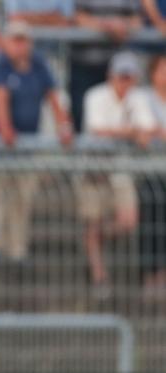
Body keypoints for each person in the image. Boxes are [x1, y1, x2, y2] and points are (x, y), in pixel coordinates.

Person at [0, 21, 73, 266]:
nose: (19, 45)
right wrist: (5, 129)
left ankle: (17, 253)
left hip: (26, 148)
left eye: (23, 40)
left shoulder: (39, 65)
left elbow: (54, 98)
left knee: (22, 200)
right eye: (15, 39)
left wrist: (64, 127)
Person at [81, 51, 154, 298]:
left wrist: (133, 133)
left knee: (127, 221)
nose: (125, 81)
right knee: (93, 220)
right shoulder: (96, 95)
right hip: (93, 170)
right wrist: (132, 133)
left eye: (129, 76)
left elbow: (149, 130)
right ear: (111, 76)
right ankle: (99, 276)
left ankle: (94, 241)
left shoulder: (139, 98)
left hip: (121, 171)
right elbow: (98, 131)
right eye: (121, 76)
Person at [70, 0, 143, 133]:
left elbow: (136, 21)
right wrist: (107, 26)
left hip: (117, 63)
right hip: (85, 64)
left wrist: (123, 26)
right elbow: (78, 17)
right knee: (81, 115)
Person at [139, 54, 166, 296]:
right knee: (152, 222)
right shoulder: (143, 98)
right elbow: (145, 131)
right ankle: (152, 277)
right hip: (149, 172)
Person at [5, 0, 75, 25]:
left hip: (58, 50)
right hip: (21, 52)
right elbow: (14, 18)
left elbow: (67, 21)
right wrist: (52, 17)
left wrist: (28, 17)